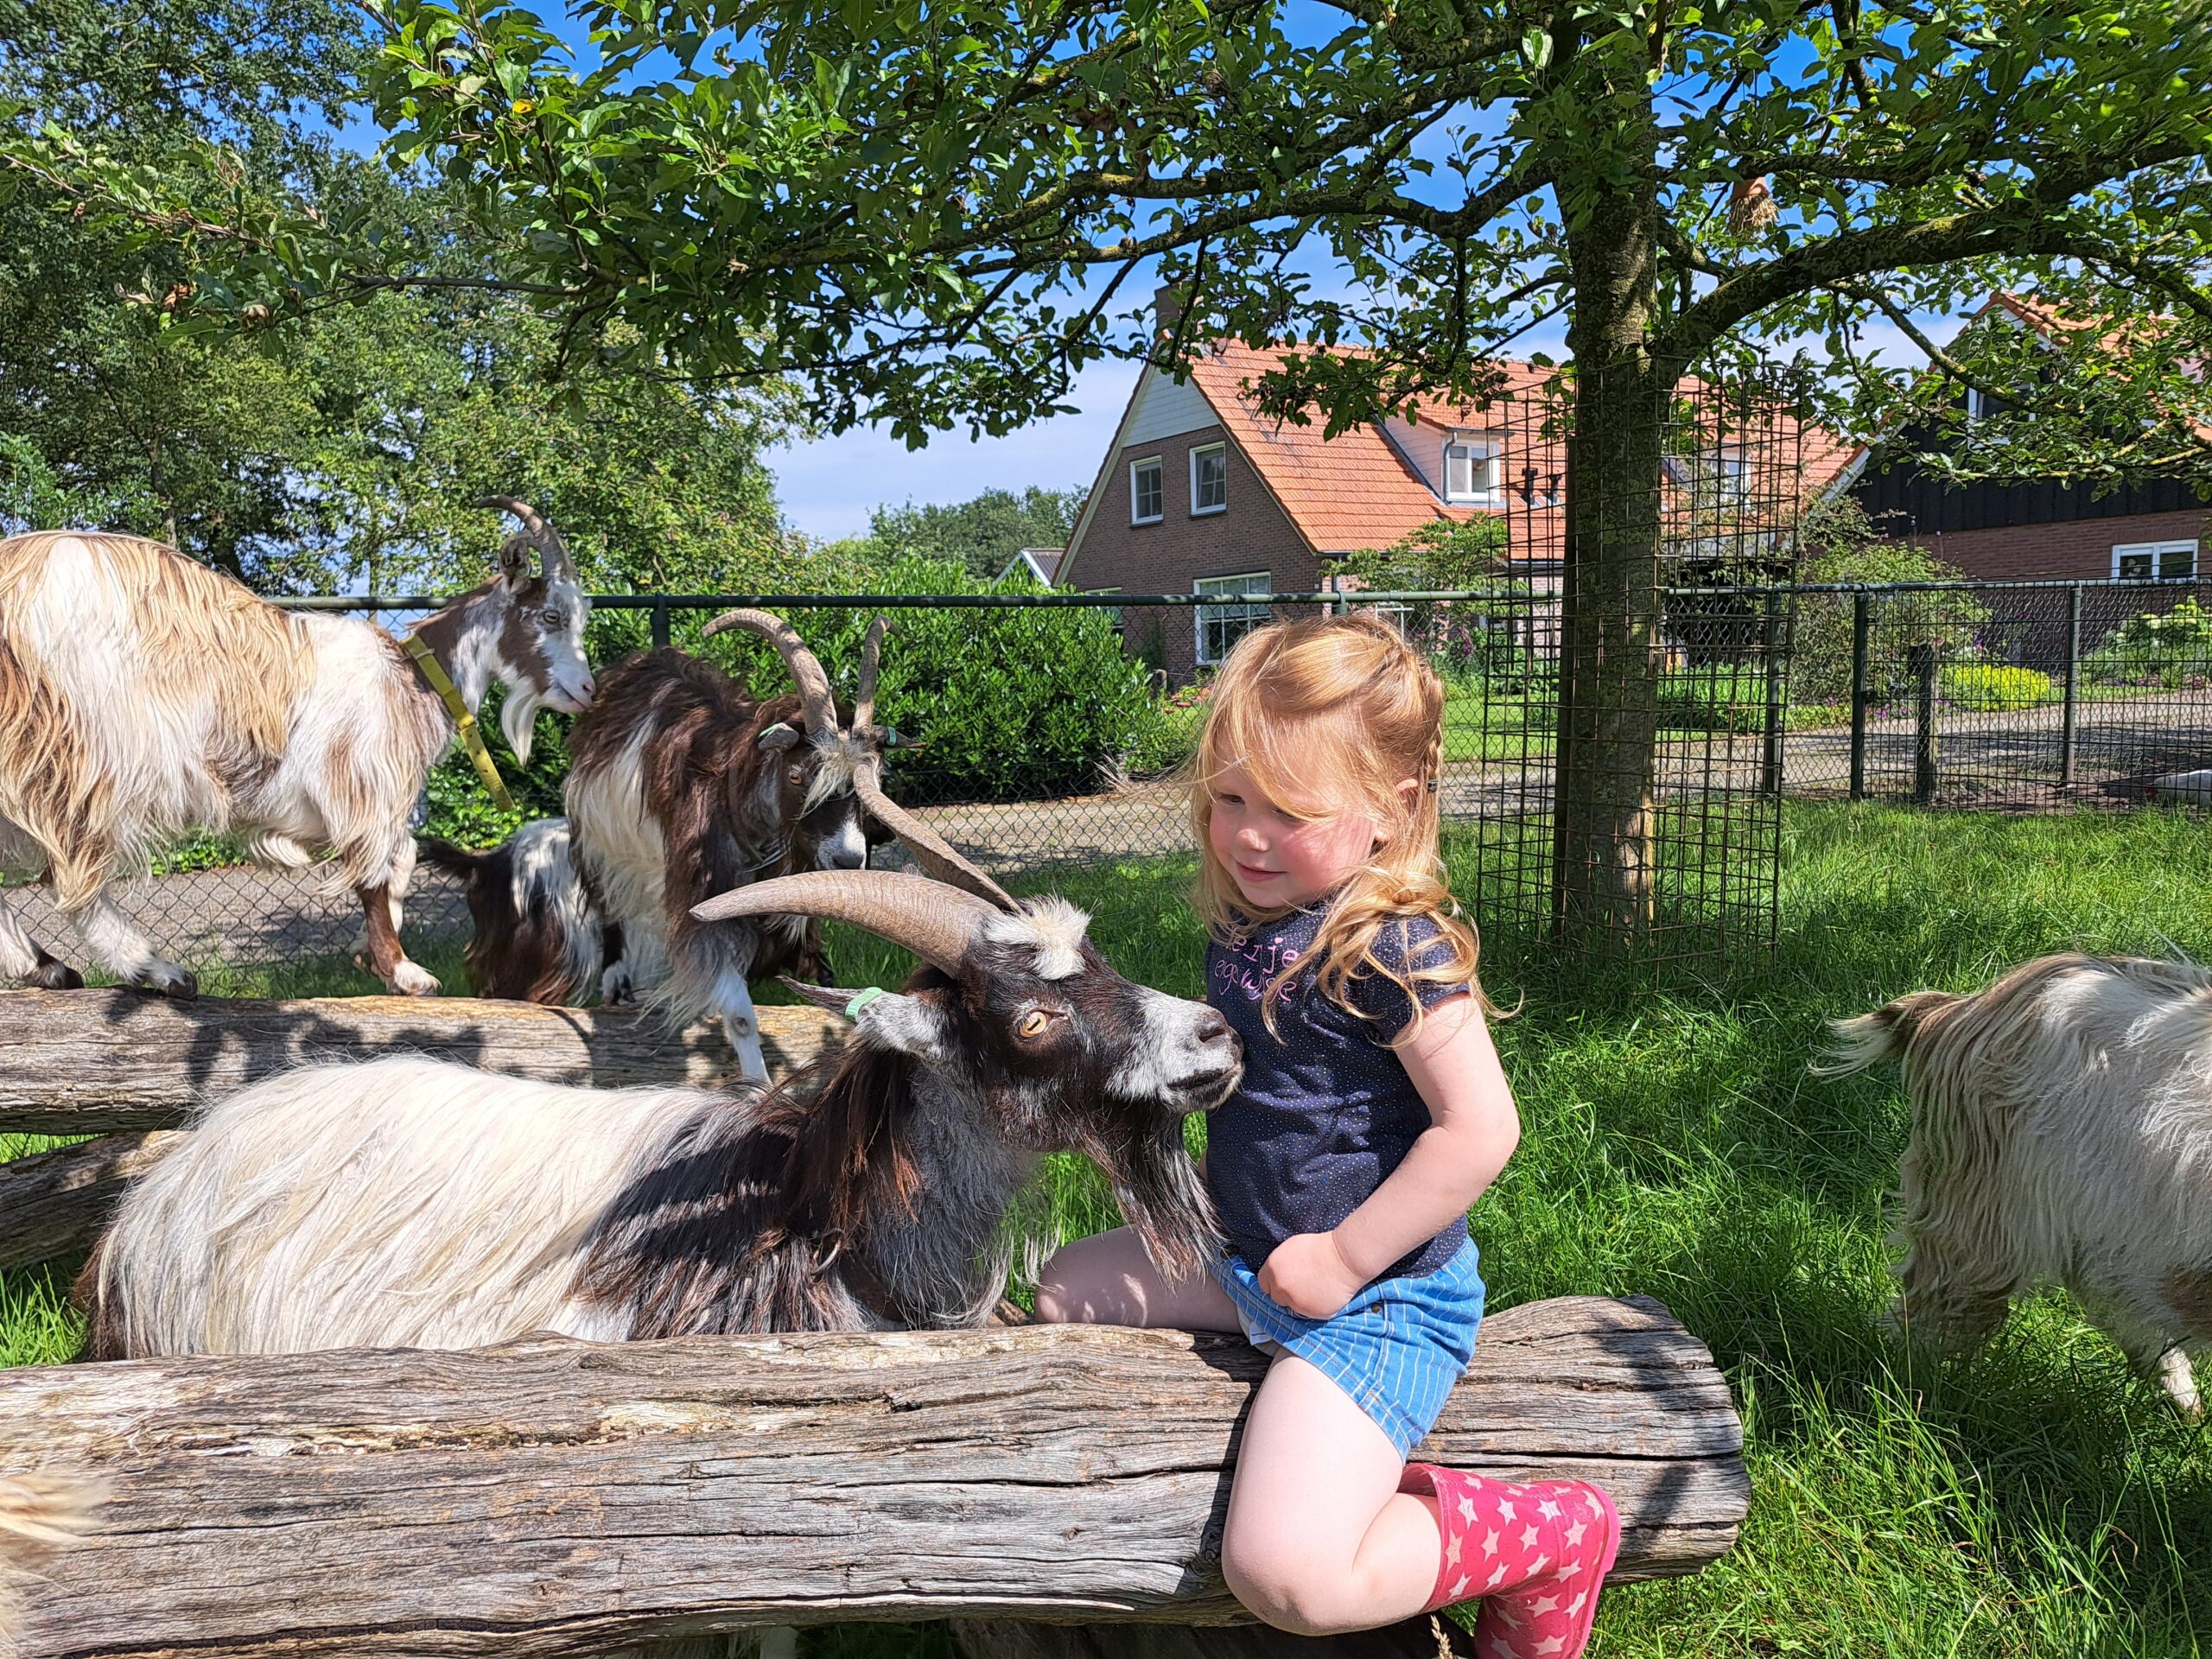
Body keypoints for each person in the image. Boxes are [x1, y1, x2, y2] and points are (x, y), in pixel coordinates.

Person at [1033, 613, 1618, 1653]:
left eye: (1290, 811)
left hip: (1377, 1300)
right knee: (1059, 1291)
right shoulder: (1254, 927)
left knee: (1287, 1578)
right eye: (1226, 800)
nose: (1249, 835)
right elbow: (1277, 1092)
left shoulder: (1395, 948)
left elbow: (1481, 1128)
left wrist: (1346, 1258)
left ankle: (1552, 1536)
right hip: (1251, 1251)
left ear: (1389, 814)